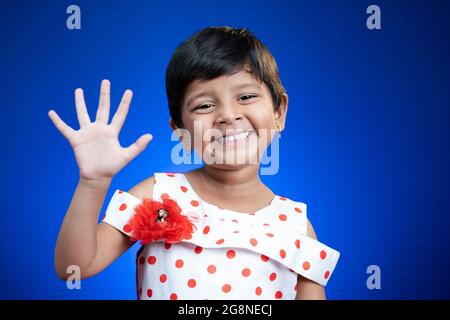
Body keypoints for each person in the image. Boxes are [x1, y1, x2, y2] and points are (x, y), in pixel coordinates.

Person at [49, 26, 340, 300]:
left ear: (279, 112)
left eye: (246, 96)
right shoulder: (158, 194)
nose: (227, 115)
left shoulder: (295, 224)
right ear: (180, 131)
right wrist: (93, 183)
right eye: (204, 105)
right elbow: (74, 266)